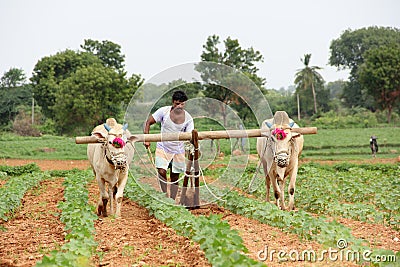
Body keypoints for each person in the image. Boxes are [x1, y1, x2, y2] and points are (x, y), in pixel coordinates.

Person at [143, 90, 194, 200]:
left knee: (175, 176)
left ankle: (171, 200)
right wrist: (146, 138)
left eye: (182, 104)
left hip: (178, 149)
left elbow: (190, 134)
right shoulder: (163, 111)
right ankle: (164, 196)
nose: (179, 106)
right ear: (172, 102)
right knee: (161, 171)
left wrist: (191, 146)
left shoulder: (188, 118)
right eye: (176, 103)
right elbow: (148, 122)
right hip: (163, 147)